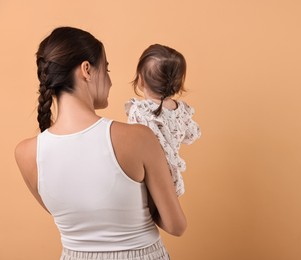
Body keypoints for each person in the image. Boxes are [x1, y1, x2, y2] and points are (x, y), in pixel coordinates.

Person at [14, 27, 186, 260]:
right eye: (106, 69)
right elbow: (176, 226)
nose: (111, 81)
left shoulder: (25, 153)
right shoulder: (137, 138)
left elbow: (78, 217)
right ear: (86, 70)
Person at [125, 44, 201, 197]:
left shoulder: (140, 110)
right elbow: (193, 134)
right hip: (172, 180)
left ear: (140, 79)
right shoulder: (180, 109)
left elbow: (132, 143)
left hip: (148, 177)